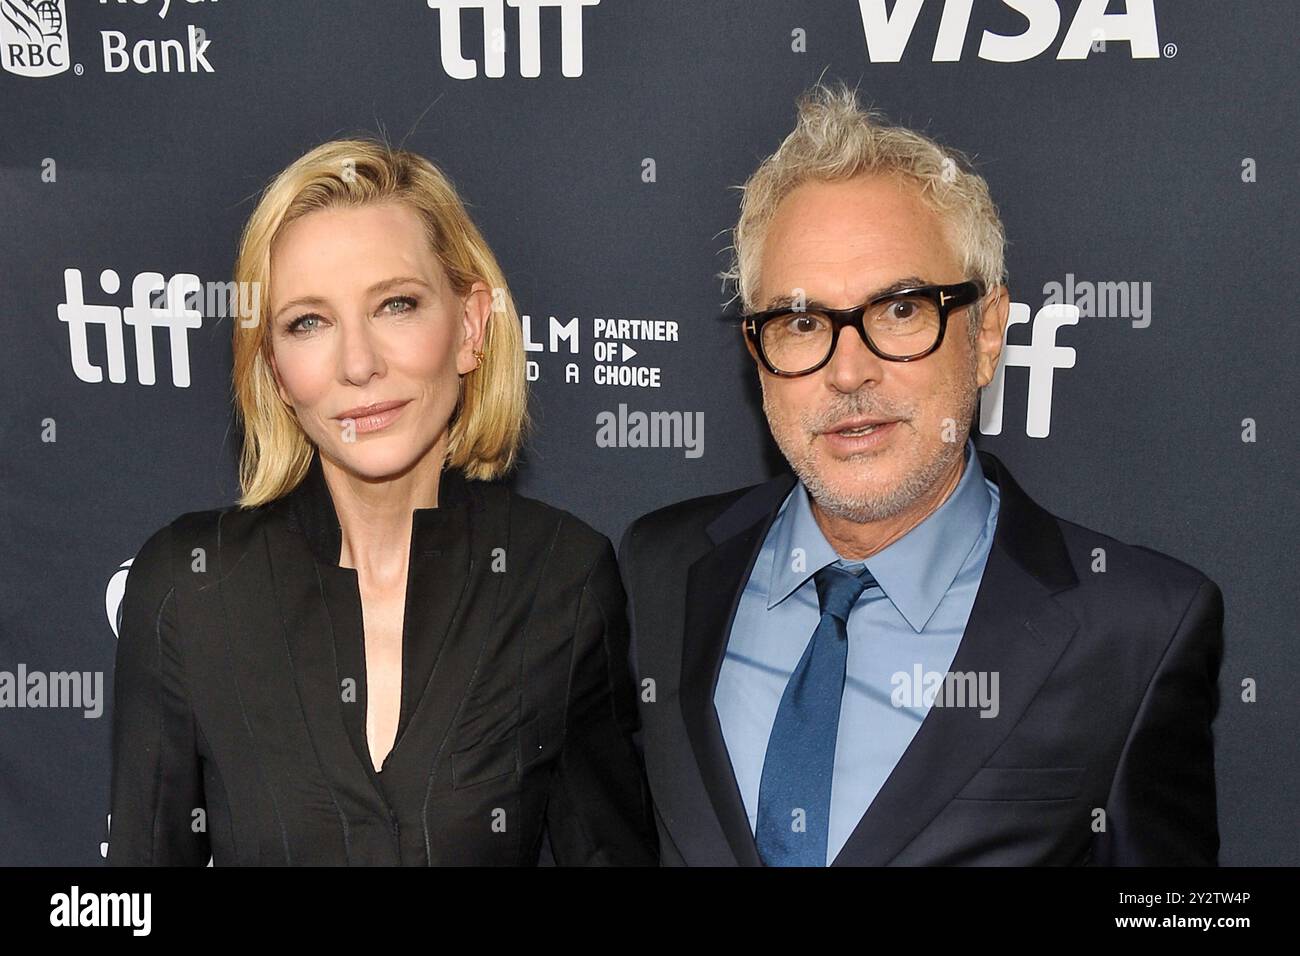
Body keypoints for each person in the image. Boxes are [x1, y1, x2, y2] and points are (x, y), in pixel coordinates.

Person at [618, 84, 1223, 866]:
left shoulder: (1137, 629)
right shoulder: (659, 569)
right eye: (802, 323)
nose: (848, 371)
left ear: (987, 334)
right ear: (757, 354)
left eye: (901, 310)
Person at [108, 137, 657, 866]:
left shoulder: (561, 578)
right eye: (308, 322)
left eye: (396, 305)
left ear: (469, 327)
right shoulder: (188, 588)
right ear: (274, 369)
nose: (359, 363)